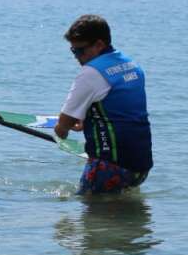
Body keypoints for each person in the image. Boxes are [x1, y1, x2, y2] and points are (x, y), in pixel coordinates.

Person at [54, 14, 152, 195]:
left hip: (109, 167)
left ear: (99, 44)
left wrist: (62, 131)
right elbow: (120, 109)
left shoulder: (91, 73)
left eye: (80, 51)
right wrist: (88, 120)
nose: (76, 57)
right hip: (140, 165)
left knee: (89, 219)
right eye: (73, 51)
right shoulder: (131, 65)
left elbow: (63, 125)